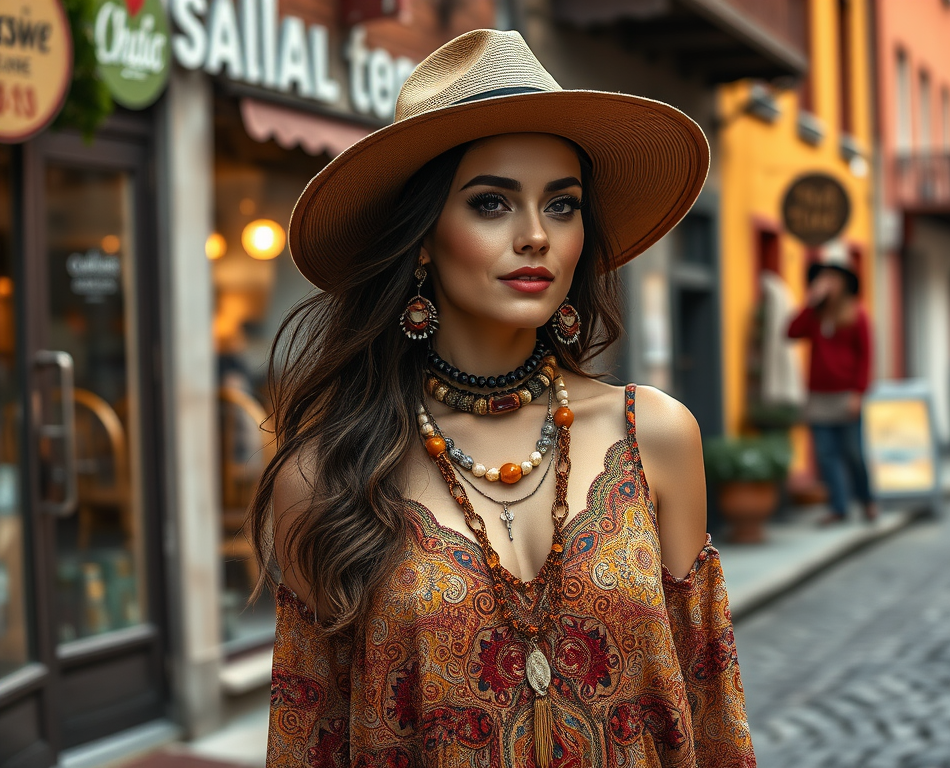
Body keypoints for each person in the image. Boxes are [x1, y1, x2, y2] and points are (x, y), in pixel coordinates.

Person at [250, 29, 756, 767]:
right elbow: (308, 740)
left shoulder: (657, 437)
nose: (535, 237)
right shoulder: (326, 476)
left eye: (562, 205)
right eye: (491, 204)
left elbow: (712, 715)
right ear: (424, 237)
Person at [787, 242, 879, 525]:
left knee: (854, 453)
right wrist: (810, 302)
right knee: (826, 455)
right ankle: (839, 507)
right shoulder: (815, 314)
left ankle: (867, 500)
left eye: (833, 277)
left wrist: (859, 392)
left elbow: (866, 356)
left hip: (846, 395)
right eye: (823, 277)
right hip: (819, 396)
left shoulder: (857, 314)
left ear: (844, 282)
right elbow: (791, 332)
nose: (827, 282)